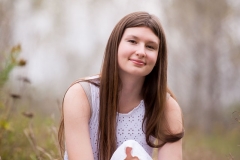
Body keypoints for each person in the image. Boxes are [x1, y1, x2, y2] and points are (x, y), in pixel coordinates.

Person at [58, 11, 184, 160]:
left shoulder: (167, 107)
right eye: (132, 41)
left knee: (132, 148)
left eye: (150, 47)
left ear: (158, 56)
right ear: (115, 44)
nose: (141, 52)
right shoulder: (81, 95)